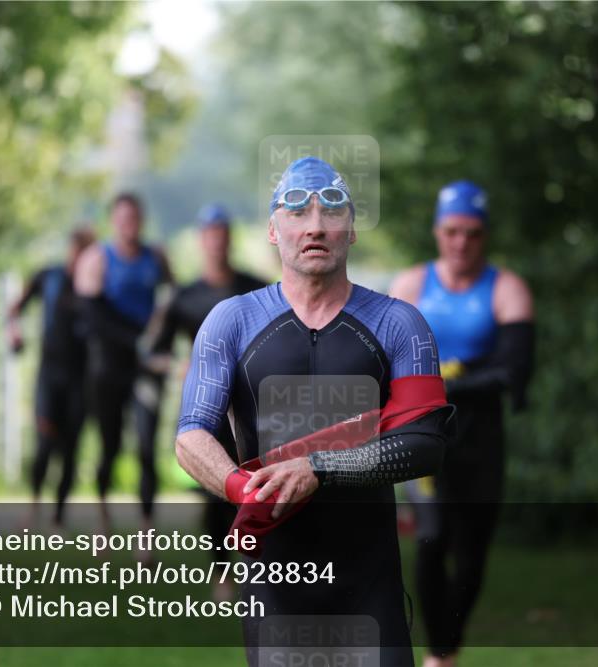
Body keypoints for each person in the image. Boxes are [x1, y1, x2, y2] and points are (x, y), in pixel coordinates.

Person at [175, 157, 456, 666]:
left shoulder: (399, 323)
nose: (315, 226)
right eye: (297, 212)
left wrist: (316, 469)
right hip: (275, 581)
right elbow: (192, 435)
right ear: (272, 231)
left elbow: (425, 444)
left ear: (351, 230)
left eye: (331, 213)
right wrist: (245, 489)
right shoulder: (231, 322)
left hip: (370, 582)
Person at [389, 180, 535, 667]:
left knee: (472, 550)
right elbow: (383, 362)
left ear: (485, 235)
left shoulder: (507, 289)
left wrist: (446, 384)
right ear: (437, 232)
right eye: (452, 231)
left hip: (480, 438)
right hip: (424, 434)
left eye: (472, 233)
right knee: (431, 540)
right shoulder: (410, 287)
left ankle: (445, 648)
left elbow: (513, 372)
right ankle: (439, 655)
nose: (461, 243)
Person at [140, 202, 266, 600]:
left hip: (251, 404)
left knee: (256, 481)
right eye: (210, 235)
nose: (217, 243)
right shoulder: (184, 297)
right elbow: (150, 352)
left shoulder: (256, 287)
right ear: (201, 241)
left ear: (230, 239)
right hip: (209, 406)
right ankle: (222, 573)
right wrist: (180, 364)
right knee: (217, 489)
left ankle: (256, 566)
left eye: (223, 235)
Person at [74, 193, 172, 532]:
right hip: (109, 369)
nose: (129, 224)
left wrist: (163, 346)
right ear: (112, 221)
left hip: (146, 370)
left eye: (135, 217)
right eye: (123, 218)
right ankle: (103, 519)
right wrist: (136, 342)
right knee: (110, 447)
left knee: (147, 446)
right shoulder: (96, 259)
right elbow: (94, 318)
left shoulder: (156, 258)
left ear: (141, 220)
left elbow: (171, 303)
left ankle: (146, 530)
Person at [7, 226, 96, 527]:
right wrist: (15, 333)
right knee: (45, 443)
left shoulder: (95, 288)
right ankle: (33, 506)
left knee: (71, 447)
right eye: (77, 251)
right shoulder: (49, 277)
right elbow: (14, 309)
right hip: (49, 376)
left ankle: (59, 516)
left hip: (80, 380)